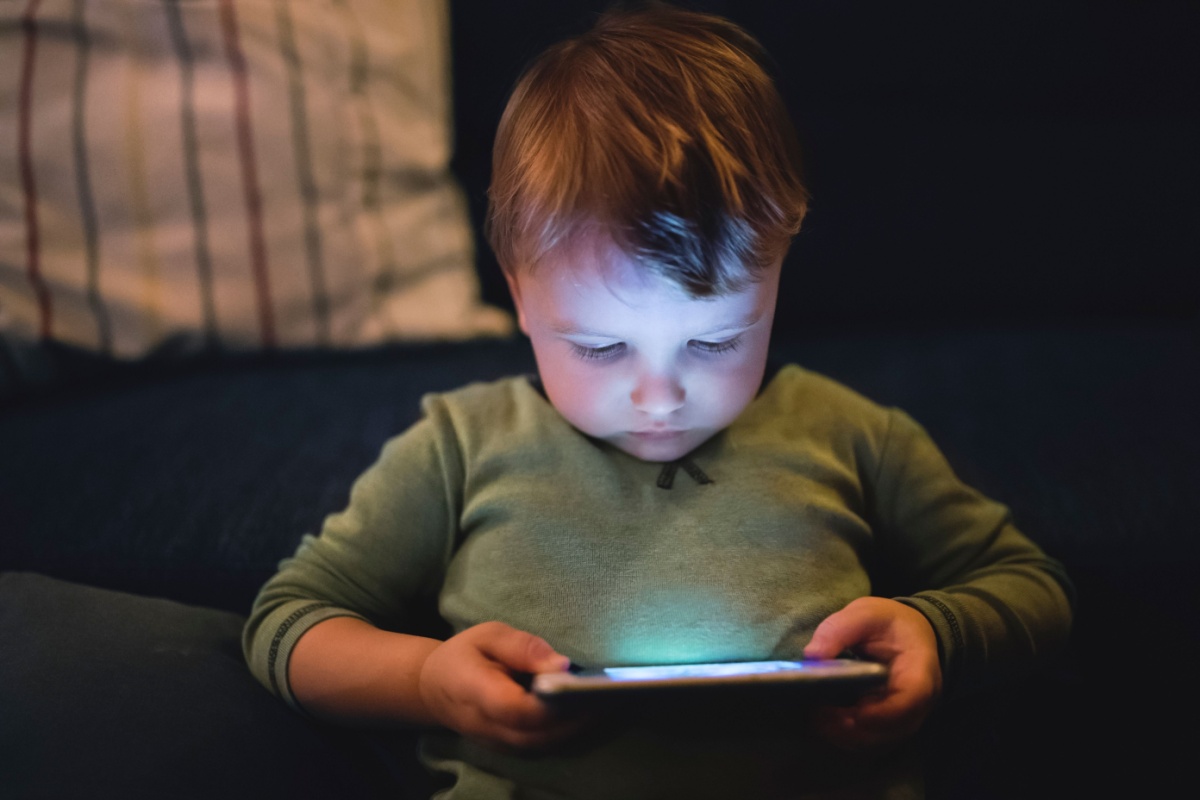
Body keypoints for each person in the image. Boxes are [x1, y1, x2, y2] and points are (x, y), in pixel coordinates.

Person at [243, 3, 1074, 797]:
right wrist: (426, 681)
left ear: (778, 281)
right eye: (600, 346)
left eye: (715, 341)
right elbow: (289, 622)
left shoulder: (854, 436)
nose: (660, 395)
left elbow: (1029, 586)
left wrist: (937, 632)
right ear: (520, 298)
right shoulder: (461, 446)